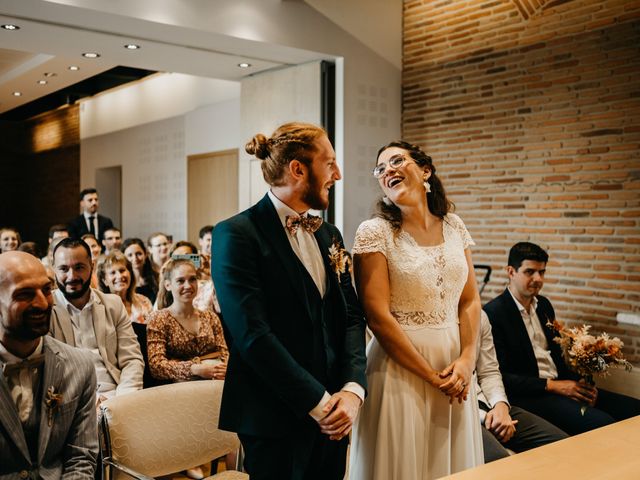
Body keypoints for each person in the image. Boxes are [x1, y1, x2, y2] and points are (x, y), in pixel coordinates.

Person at [212, 122, 367, 480]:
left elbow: (353, 318)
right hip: (273, 419)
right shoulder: (236, 234)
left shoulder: (329, 234)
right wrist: (319, 403)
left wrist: (351, 390)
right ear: (298, 169)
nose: (337, 174)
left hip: (336, 416)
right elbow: (252, 335)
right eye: (329, 163)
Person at [349, 141, 483, 479]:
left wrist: (467, 360)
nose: (388, 170)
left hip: (455, 368)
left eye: (397, 161)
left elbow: (469, 301)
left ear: (425, 170)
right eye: (380, 168)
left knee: (448, 464)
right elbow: (377, 316)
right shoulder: (375, 232)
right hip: (399, 370)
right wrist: (430, 376)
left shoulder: (454, 225)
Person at [484, 242, 640, 435]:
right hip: (532, 395)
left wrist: (583, 386)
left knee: (634, 409)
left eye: (542, 272)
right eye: (530, 272)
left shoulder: (544, 306)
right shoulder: (493, 313)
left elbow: (557, 358)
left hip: (560, 383)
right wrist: (555, 387)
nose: (538, 279)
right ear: (511, 272)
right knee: (604, 424)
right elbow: (501, 376)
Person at [0, 251, 98, 479]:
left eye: (46, 289)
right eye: (24, 294)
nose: (43, 303)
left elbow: (81, 459)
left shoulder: (80, 366)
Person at [49, 238, 144, 403]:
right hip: (71, 402)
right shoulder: (46, 308)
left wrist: (123, 401)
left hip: (117, 396)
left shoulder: (113, 304)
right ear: (54, 269)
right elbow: (49, 375)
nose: (72, 276)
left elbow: (132, 360)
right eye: (64, 269)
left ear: (92, 267)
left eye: (79, 267)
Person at [475, 310, 567, 462]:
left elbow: (489, 371)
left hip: (487, 401)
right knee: (499, 463)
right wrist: (485, 418)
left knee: (561, 444)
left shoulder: (479, 316)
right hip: (462, 415)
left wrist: (501, 406)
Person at [147, 258, 228, 381]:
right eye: (180, 281)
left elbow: (224, 354)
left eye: (192, 279)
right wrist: (194, 369)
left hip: (217, 380)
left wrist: (225, 368)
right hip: (181, 388)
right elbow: (156, 366)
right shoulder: (158, 318)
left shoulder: (211, 317)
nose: (188, 286)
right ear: (168, 285)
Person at [96, 251, 153, 325]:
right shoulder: (99, 307)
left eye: (122, 270)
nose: (119, 276)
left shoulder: (144, 301)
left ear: (130, 273)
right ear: (105, 281)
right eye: (113, 273)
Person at [170, 241, 220, 314]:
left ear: (195, 258)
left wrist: (212, 273)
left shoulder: (209, 286)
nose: (183, 263)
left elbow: (219, 307)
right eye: (178, 259)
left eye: (186, 257)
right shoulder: (170, 286)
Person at [122, 238, 159, 304]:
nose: (135, 258)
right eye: (130, 255)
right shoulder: (123, 281)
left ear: (145, 254)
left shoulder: (156, 278)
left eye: (138, 254)